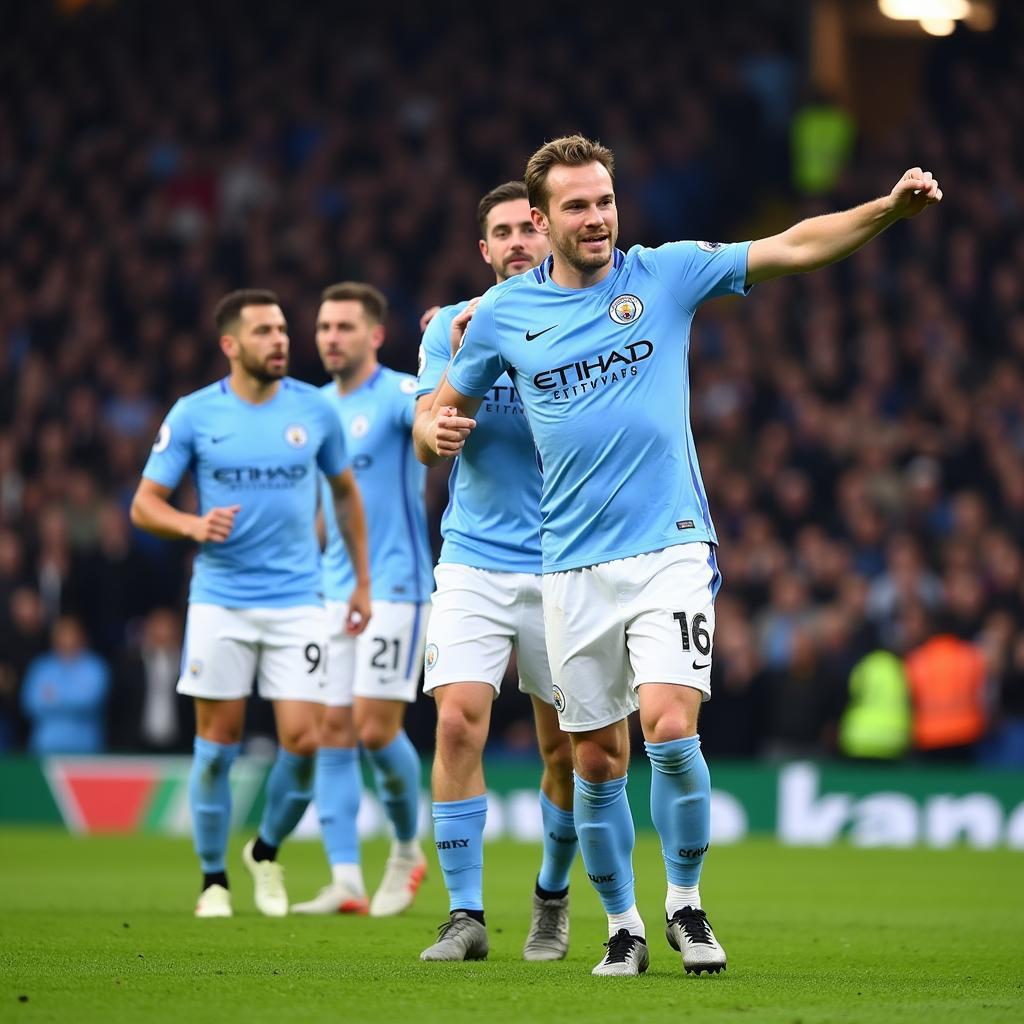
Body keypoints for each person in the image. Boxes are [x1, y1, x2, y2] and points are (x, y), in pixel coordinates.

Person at [424, 135, 941, 976]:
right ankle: (622, 923)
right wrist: (434, 429)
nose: (597, 219)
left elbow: (794, 246)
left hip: (669, 547)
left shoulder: (661, 274)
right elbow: (445, 406)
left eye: (605, 201)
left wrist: (884, 211)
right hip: (567, 566)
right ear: (545, 219)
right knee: (596, 758)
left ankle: (687, 906)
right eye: (577, 207)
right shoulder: (504, 318)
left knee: (669, 729)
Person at [130, 289, 370, 919]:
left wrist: (362, 582)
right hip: (221, 602)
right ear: (231, 345)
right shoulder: (194, 414)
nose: (281, 340)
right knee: (218, 744)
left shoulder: (315, 411)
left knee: (305, 739)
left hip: (298, 601)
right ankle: (214, 880)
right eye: (264, 331)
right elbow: (143, 504)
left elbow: (345, 495)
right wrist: (190, 526)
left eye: (283, 329)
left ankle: (264, 852)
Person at [412, 181, 578, 963]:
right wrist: (435, 433)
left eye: (528, 227)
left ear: (549, 236)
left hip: (568, 562)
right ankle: (465, 915)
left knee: (565, 752)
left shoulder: (583, 320)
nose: (517, 240)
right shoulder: (451, 327)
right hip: (474, 559)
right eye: (502, 232)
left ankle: (551, 898)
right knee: (454, 721)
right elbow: (422, 430)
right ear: (484, 249)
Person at [292, 282, 432, 917]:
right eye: (324, 327)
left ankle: (408, 848)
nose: (331, 337)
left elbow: (427, 422)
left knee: (377, 729)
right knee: (331, 730)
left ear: (374, 335)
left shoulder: (399, 394)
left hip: (397, 585)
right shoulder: (312, 407)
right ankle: (345, 877)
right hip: (329, 590)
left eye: (344, 327)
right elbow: (321, 509)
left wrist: (437, 415)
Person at [21, 615, 109, 754]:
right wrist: (73, 694)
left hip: (85, 747)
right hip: (46, 746)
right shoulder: (41, 666)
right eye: (62, 634)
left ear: (81, 636)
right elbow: (31, 704)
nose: (66, 639)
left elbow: (90, 701)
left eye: (71, 633)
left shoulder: (95, 666)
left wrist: (54, 697)